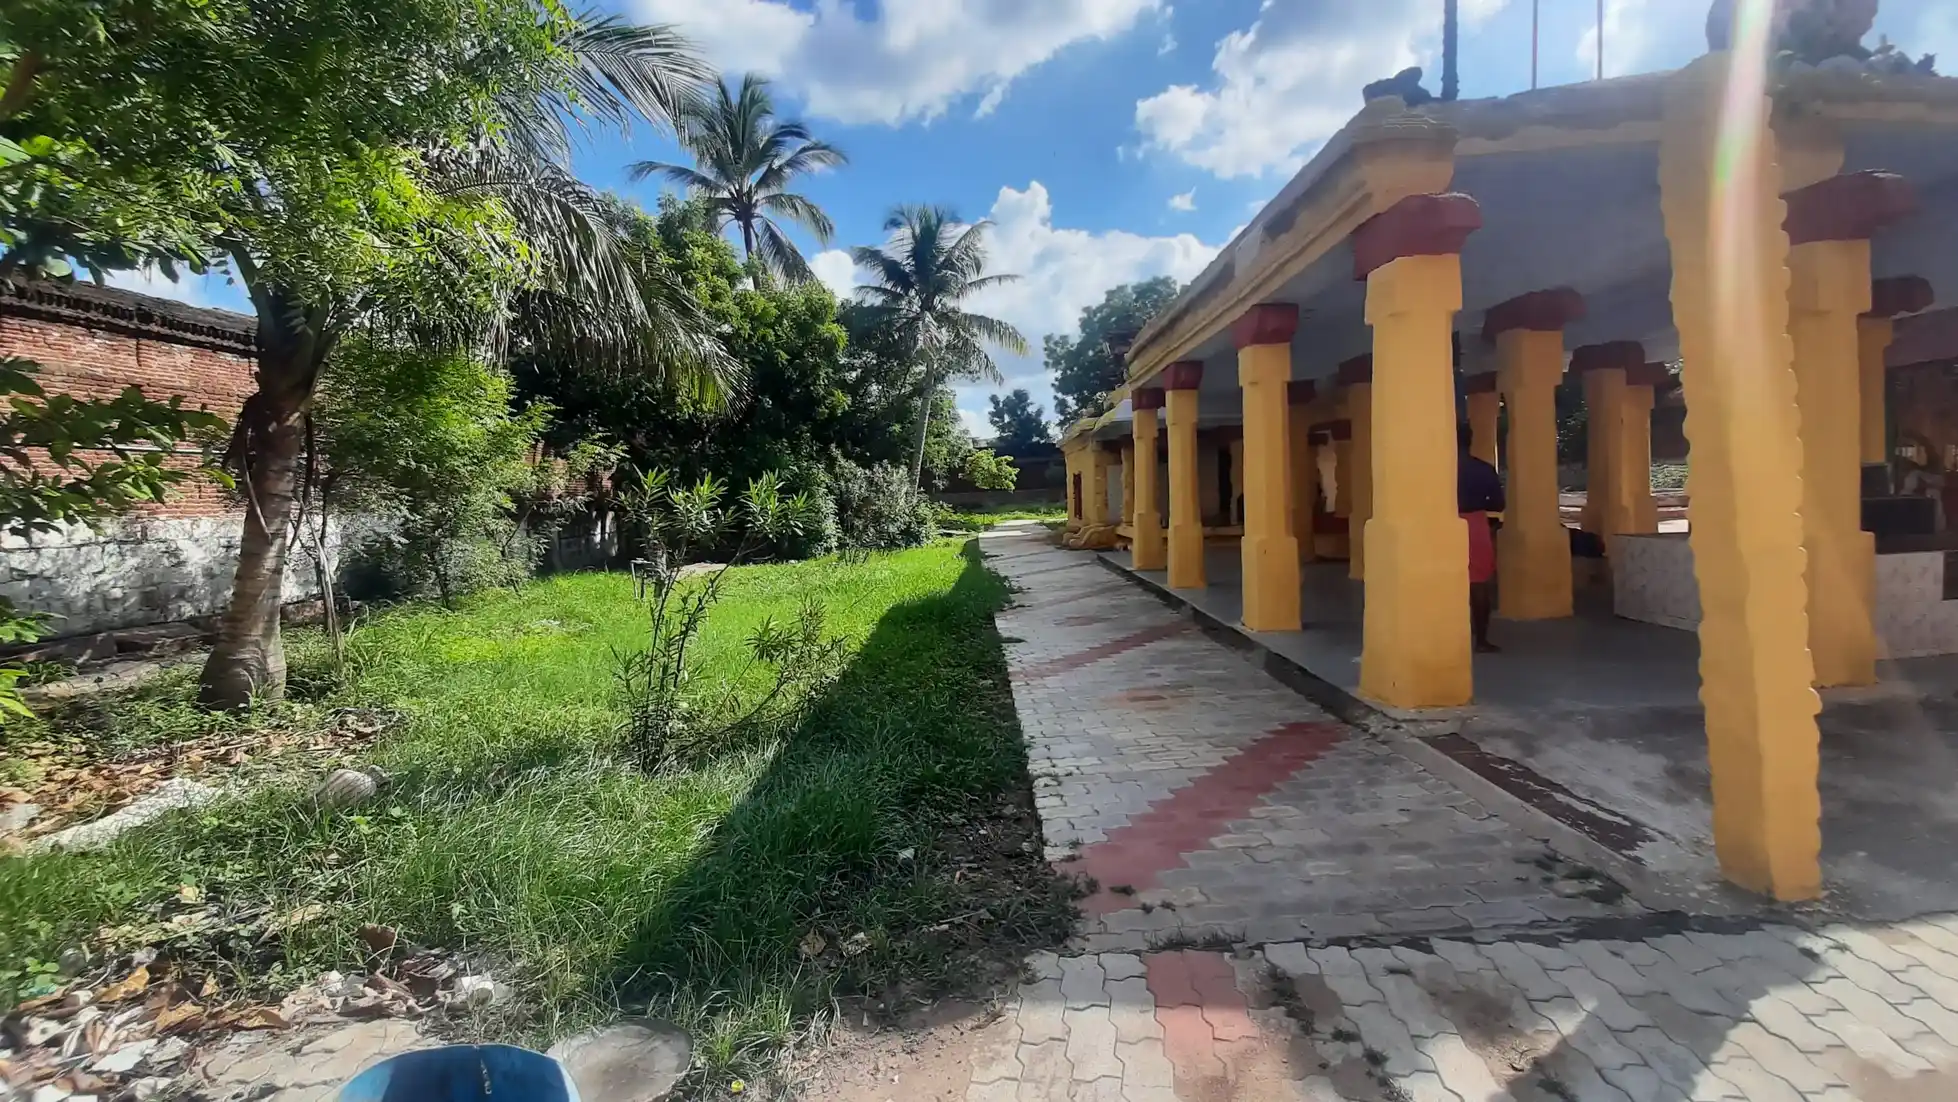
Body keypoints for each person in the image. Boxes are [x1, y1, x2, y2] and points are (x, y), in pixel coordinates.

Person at [1458, 422, 1504, 653]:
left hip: (1442, 523)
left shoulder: (1436, 470)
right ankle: (1481, 640)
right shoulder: (1483, 469)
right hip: (1476, 523)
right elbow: (1498, 503)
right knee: (1479, 584)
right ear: (1470, 440)